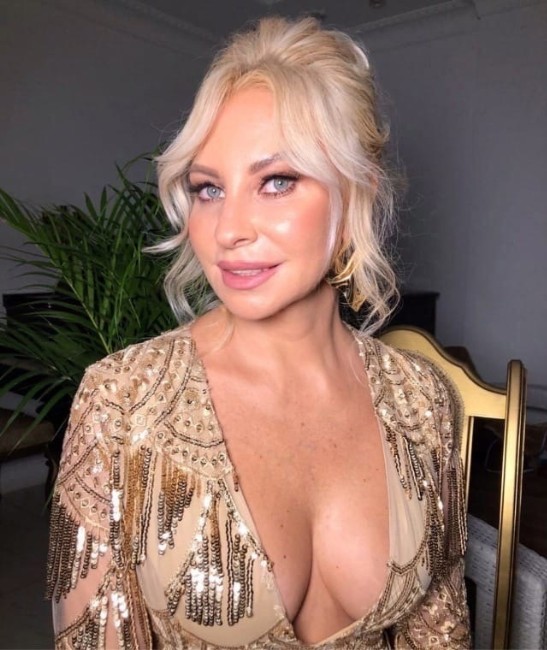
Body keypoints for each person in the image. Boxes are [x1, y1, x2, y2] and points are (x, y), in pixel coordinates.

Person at [46, 16, 471, 649]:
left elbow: (439, 630)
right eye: (208, 189)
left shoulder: (422, 398)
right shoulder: (122, 402)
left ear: (355, 197)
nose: (228, 230)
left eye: (276, 181)